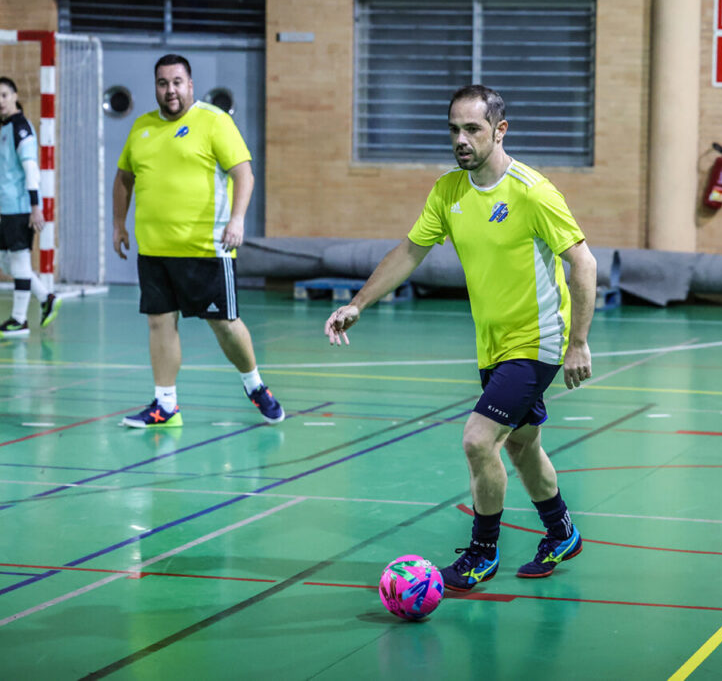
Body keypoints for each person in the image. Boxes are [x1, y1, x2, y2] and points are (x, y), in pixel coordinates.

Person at [325, 84, 598, 591]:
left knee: (478, 440)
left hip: (536, 342)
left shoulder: (532, 191)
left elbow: (583, 261)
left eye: (472, 129)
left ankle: (481, 554)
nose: (461, 139)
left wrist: (578, 341)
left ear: (499, 130)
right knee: (520, 446)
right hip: (492, 345)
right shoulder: (448, 191)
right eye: (454, 129)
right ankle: (562, 532)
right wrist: (357, 303)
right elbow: (409, 252)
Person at [113, 54, 283, 428]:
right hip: (154, 249)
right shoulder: (141, 128)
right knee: (159, 323)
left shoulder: (214, 122)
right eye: (162, 83)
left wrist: (237, 219)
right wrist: (118, 225)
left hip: (206, 248)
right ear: (155, 87)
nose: (170, 90)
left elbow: (244, 174)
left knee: (224, 323)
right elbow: (124, 178)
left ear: (190, 85)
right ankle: (165, 404)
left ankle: (254, 384)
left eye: (177, 82)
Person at [0, 76, 61, 337]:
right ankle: (46, 297)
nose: (0, 100)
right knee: (6, 263)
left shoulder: (21, 128)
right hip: (4, 208)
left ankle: (19, 320)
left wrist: (36, 207)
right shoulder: (4, 127)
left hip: (19, 208)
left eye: (4, 95)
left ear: (15, 96)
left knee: (20, 263)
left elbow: (31, 170)